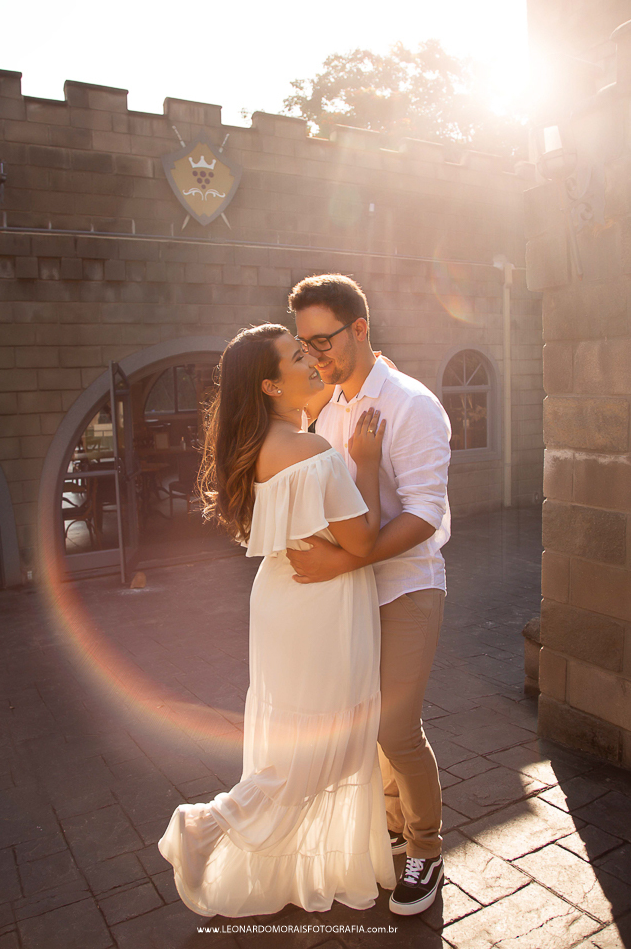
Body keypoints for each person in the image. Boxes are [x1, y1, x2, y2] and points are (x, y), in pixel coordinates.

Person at [158, 323, 396, 918]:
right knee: (327, 747)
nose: (311, 359)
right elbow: (363, 540)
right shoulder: (311, 452)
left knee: (303, 743)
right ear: (269, 383)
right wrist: (363, 461)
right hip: (319, 602)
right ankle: (207, 826)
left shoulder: (262, 445)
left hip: (285, 600)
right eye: (297, 356)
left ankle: (272, 853)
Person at [287, 274, 451, 917]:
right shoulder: (324, 409)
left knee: (396, 728)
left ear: (360, 328)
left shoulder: (412, 403)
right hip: (347, 592)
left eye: (323, 340)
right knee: (366, 725)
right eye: (305, 345)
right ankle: (389, 827)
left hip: (406, 585)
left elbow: (424, 516)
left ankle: (426, 849)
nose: (315, 355)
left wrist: (342, 559)